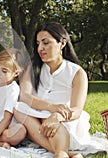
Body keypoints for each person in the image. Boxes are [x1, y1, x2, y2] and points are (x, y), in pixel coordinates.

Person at [14, 22, 89, 158]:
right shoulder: (32, 67)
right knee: (18, 108)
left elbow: (77, 109)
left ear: (62, 43)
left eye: (46, 43)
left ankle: (61, 153)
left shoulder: (77, 73)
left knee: (49, 120)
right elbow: (24, 96)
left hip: (63, 120)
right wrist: (50, 107)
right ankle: (65, 153)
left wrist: (56, 116)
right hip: (34, 115)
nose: (40, 48)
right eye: (38, 44)